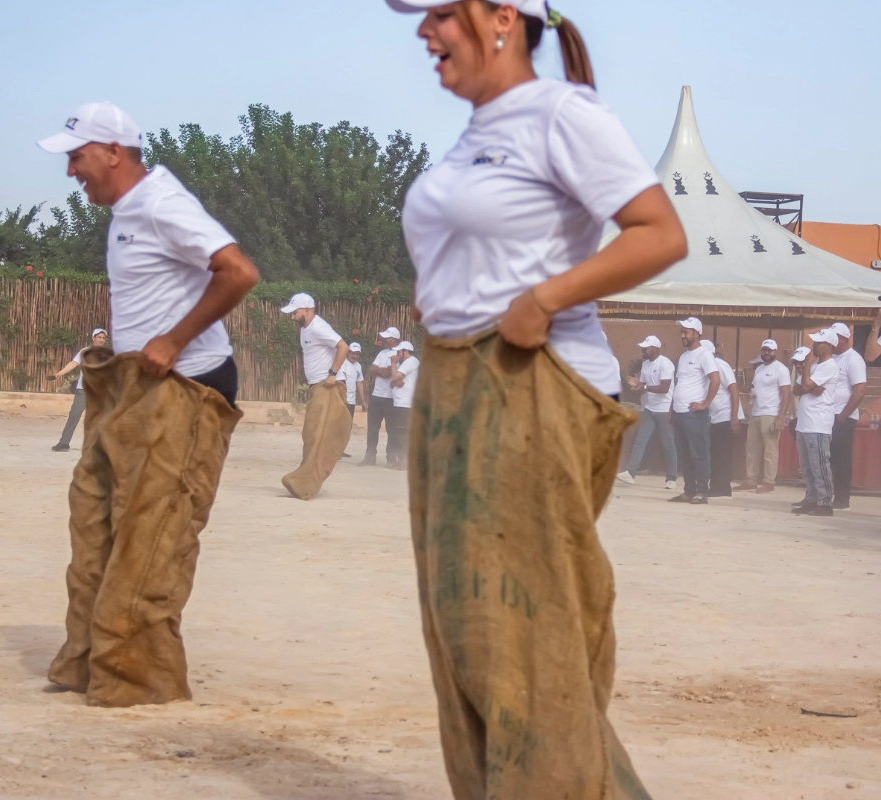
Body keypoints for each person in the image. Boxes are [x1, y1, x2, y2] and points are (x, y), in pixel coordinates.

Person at [387, 0, 687, 795]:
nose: (425, 32)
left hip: (535, 382)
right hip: (454, 381)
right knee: (466, 631)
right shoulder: (476, 135)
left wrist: (546, 298)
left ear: (502, 19)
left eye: (443, 14)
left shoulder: (562, 113)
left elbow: (659, 232)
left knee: (525, 635)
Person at [38, 101, 260, 708]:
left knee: (152, 535)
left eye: (76, 157)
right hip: (131, 387)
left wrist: (174, 338)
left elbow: (238, 271)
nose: (70, 171)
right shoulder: (123, 212)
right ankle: (87, 661)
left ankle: (139, 679)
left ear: (114, 152)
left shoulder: (162, 202)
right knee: (94, 521)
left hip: (185, 387)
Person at [280, 293, 353, 499]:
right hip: (317, 386)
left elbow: (343, 347)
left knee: (318, 436)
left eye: (295, 312)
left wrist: (332, 374)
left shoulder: (319, 327)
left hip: (327, 387)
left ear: (307, 310)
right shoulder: (305, 329)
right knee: (311, 435)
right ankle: (304, 481)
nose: (292, 316)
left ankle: (305, 486)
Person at [670, 318, 720, 504]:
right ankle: (688, 491)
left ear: (697, 333)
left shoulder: (704, 355)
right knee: (683, 454)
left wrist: (705, 403)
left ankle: (701, 492)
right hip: (679, 413)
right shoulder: (683, 357)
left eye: (687, 332)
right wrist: (671, 410)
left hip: (694, 415)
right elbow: (679, 384)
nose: (683, 335)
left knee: (698, 453)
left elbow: (715, 380)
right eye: (682, 332)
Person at [792, 329, 841, 516]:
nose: (813, 346)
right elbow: (796, 389)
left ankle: (825, 502)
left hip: (818, 422)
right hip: (805, 422)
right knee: (806, 465)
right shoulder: (814, 366)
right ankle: (812, 498)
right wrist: (810, 388)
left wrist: (807, 370)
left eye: (818, 343)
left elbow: (803, 385)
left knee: (819, 463)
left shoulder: (829, 365)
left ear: (828, 346)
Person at [619, 335, 677, 489]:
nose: (643, 350)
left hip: (664, 409)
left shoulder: (666, 364)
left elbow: (664, 388)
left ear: (656, 349)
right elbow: (642, 388)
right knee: (640, 441)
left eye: (646, 348)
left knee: (668, 444)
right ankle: (630, 473)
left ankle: (671, 478)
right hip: (649, 409)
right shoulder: (645, 365)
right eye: (642, 348)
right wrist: (636, 386)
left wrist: (643, 387)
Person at [734, 339, 791, 494]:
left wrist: (780, 417)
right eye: (764, 350)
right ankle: (750, 480)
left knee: (770, 450)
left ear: (775, 352)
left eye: (770, 350)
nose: (767, 353)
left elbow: (786, 395)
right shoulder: (759, 370)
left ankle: (768, 481)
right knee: (752, 449)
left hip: (771, 414)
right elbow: (753, 389)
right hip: (756, 413)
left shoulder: (781, 369)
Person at [48, 328, 108, 452]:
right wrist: (59, 374)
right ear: (93, 338)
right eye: (99, 337)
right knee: (74, 416)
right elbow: (73, 364)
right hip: (83, 390)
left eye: (103, 338)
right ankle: (64, 444)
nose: (101, 340)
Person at [828, 322, 867, 511]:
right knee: (829, 457)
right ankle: (827, 494)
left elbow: (859, 391)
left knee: (841, 458)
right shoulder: (830, 358)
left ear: (843, 338)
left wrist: (843, 416)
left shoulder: (853, 359)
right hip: (826, 415)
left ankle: (842, 499)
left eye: (834, 337)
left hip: (843, 416)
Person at [702, 341, 743, 498]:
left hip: (726, 416)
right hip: (714, 417)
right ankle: (716, 486)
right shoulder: (705, 368)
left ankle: (723, 488)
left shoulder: (720, 365)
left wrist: (734, 417)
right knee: (715, 453)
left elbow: (733, 390)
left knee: (723, 454)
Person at [361, 326, 402, 466]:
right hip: (377, 395)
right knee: (372, 427)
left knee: (392, 429)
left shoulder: (400, 354)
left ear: (395, 339)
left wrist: (380, 370)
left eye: (387, 338)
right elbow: (371, 369)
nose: (384, 340)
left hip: (391, 397)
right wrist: (382, 370)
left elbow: (387, 373)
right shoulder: (382, 353)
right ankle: (370, 456)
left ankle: (390, 459)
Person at [388, 340, 420, 469]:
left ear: (405, 351)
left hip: (406, 403)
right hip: (400, 403)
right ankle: (401, 459)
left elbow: (395, 377)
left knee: (403, 432)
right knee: (398, 431)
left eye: (399, 352)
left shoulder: (411, 362)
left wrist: (393, 363)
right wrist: (396, 381)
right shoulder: (405, 363)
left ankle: (404, 460)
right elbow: (393, 382)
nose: (397, 355)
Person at [337, 342, 367, 458]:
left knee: (347, 427)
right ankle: (334, 451)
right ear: (348, 353)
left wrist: (363, 400)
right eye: (353, 353)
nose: (355, 356)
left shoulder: (358, 366)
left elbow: (359, 383)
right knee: (337, 426)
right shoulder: (341, 363)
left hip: (351, 401)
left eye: (357, 354)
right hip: (341, 400)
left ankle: (341, 450)